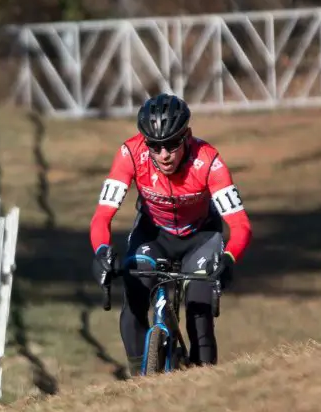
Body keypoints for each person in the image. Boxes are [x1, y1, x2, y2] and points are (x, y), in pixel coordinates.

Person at [89, 93, 253, 376]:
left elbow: (240, 225)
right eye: (155, 145)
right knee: (135, 296)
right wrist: (102, 251)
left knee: (199, 310)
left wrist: (229, 258)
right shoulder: (130, 154)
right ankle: (139, 380)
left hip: (200, 237)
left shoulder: (208, 161)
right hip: (153, 234)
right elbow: (102, 215)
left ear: (187, 136)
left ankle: (205, 381)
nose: (163, 154)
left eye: (172, 144)